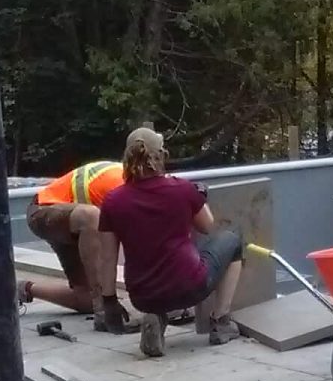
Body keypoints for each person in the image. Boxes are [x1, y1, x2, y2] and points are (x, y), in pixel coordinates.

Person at [98, 127, 244, 359]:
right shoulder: (182, 189)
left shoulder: (112, 201)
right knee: (233, 241)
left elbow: (107, 258)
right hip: (190, 287)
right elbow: (207, 226)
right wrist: (199, 196)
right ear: (159, 156)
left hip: (142, 296)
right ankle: (221, 321)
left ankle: (157, 317)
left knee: (160, 278)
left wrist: (109, 302)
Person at [0, 159, 130, 332]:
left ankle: (13, 290)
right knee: (91, 215)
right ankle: (103, 310)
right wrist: (109, 299)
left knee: (86, 301)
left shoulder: (139, 190)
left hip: (80, 229)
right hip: (45, 210)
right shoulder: (123, 187)